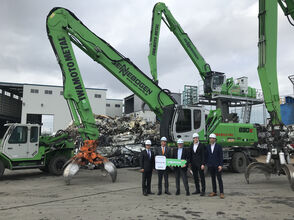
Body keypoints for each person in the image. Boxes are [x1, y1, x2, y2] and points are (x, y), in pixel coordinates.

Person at [206, 133, 224, 199]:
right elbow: (207, 156)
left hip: (217, 165)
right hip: (211, 165)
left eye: (213, 138)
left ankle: (221, 193)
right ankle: (214, 191)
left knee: (219, 179)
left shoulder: (218, 146)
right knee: (213, 179)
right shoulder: (207, 146)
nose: (212, 139)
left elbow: (221, 157)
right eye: (210, 138)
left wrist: (221, 165)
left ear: (215, 139)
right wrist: (207, 164)